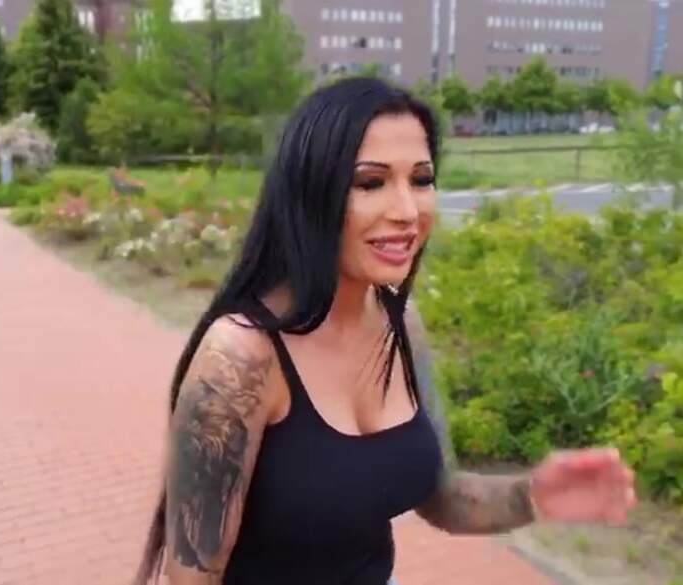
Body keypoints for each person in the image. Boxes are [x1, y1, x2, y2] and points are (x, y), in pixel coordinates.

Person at [135, 77, 637, 585]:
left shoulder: (401, 324)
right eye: (371, 182)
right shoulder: (241, 357)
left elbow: (442, 497)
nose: (407, 212)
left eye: (421, 179)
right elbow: (192, 578)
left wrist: (533, 495)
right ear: (309, 193)